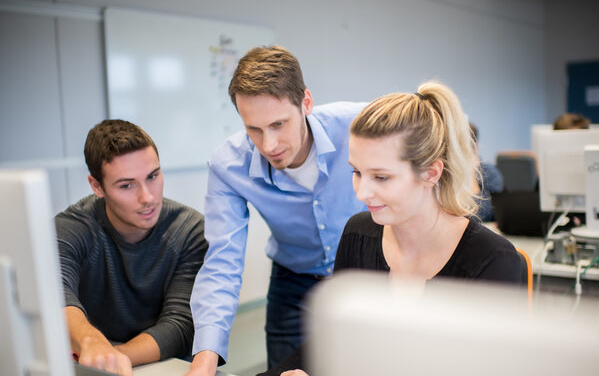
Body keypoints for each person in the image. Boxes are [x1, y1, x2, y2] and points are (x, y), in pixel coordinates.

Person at [261, 81, 522, 376]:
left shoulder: (493, 261)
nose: (362, 193)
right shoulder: (358, 235)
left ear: (431, 173)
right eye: (357, 172)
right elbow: (337, 341)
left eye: (381, 178)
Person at [186, 46, 367, 375]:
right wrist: (205, 357)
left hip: (366, 273)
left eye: (278, 124)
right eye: (253, 129)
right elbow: (222, 261)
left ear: (306, 103)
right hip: (293, 280)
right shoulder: (228, 164)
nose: (268, 145)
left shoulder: (360, 124)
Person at [56, 119, 208, 376]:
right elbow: (56, 292)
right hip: (94, 361)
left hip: (162, 365)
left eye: (153, 176)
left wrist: (112, 358)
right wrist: (92, 343)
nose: (147, 197)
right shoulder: (72, 227)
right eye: (127, 185)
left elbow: (179, 326)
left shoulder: (189, 230)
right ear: (97, 186)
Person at [468, 122, 504, 222]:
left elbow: (482, 216)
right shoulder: (446, 174)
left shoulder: (490, 174)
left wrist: (470, 174)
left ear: (475, 147)